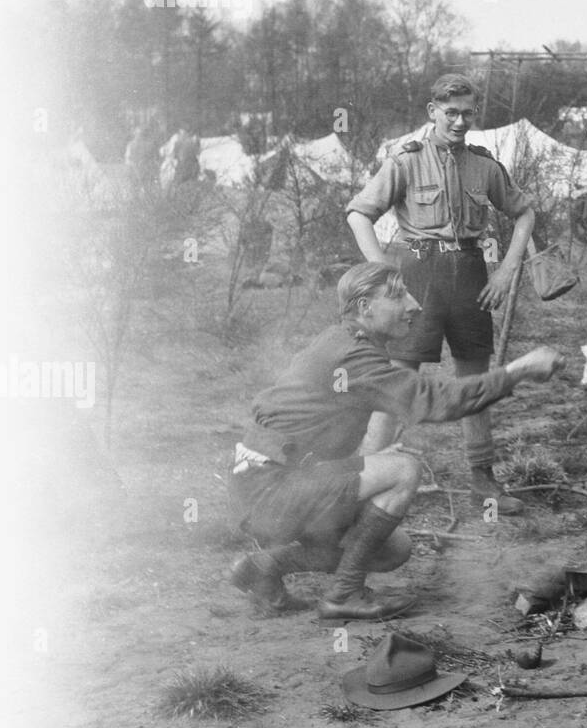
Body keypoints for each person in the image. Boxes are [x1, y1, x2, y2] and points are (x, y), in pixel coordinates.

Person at [227, 262, 562, 620]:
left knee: (392, 550)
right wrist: (517, 372)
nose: (414, 305)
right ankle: (344, 595)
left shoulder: (342, 340)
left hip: (271, 483)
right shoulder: (351, 355)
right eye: (398, 295)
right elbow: (438, 400)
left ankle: (262, 567)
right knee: (404, 469)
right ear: (364, 308)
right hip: (270, 490)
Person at [345, 73, 536, 515]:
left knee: (475, 380)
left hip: (471, 274)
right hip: (417, 275)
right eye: (451, 113)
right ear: (432, 112)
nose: (460, 122)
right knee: (396, 381)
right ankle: (365, 480)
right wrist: (381, 274)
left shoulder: (484, 164)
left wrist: (507, 269)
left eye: (468, 113)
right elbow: (358, 214)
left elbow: (524, 213)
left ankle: (483, 481)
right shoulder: (406, 160)